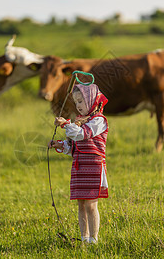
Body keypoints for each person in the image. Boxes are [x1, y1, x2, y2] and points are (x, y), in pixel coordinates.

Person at [48, 83, 109, 244]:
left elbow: (83, 135)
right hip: (79, 166)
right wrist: (61, 145)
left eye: (81, 101)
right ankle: (84, 239)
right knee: (81, 204)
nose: (79, 106)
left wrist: (65, 124)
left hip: (93, 167)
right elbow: (75, 147)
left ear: (91, 100)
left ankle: (93, 240)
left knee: (90, 205)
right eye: (76, 102)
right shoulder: (80, 121)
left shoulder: (99, 121)